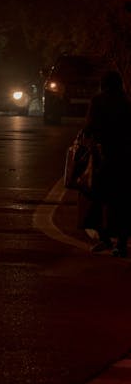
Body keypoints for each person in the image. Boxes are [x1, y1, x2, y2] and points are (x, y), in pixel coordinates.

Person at [81, 69, 131, 257]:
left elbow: (90, 128)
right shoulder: (126, 102)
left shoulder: (98, 101)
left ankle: (105, 239)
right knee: (123, 203)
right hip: (126, 159)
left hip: (107, 158)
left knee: (97, 200)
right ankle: (122, 243)